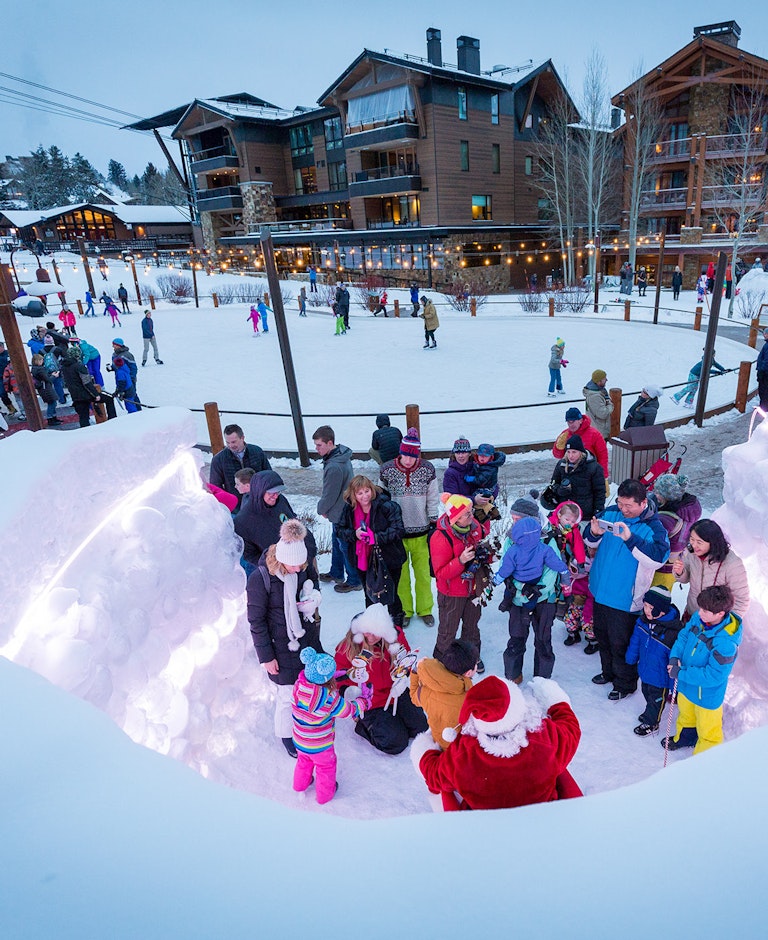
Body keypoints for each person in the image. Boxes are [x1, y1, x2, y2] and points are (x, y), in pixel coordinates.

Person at [411, 675, 582, 811]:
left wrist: (424, 749)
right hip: (542, 817)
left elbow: (433, 774)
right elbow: (571, 729)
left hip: (487, 829)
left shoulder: (463, 755)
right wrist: (556, 702)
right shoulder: (545, 738)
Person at [585, 479, 670, 700]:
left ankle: (625, 683)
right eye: (620, 503)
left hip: (625, 598)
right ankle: (608, 673)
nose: (623, 509)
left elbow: (658, 558)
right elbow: (589, 540)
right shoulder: (611, 513)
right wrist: (593, 532)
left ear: (643, 503)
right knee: (602, 637)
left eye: (628, 505)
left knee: (621, 643)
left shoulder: (654, 526)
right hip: (600, 590)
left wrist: (630, 539)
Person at [247, 519, 323, 758]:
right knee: (287, 695)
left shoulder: (302, 567)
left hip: (306, 640)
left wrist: (314, 601)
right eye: (294, 566)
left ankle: (305, 723)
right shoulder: (261, 579)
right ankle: (287, 736)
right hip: (279, 646)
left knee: (307, 687)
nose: (299, 569)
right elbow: (256, 621)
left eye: (302, 564)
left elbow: (314, 587)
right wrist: (266, 657)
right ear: (281, 560)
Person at [334, 604, 427, 754]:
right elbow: (338, 675)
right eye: (367, 632)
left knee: (421, 728)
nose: (370, 637)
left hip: (395, 693)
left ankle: (393, 720)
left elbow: (406, 660)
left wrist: (403, 677)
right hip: (370, 701)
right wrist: (349, 691)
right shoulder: (350, 646)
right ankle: (363, 725)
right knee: (396, 742)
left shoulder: (395, 637)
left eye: (376, 633)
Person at [663, 584, 742, 754]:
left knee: (708, 733)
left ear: (720, 613)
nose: (700, 613)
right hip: (686, 685)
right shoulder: (700, 618)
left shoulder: (726, 644)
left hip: (706, 696)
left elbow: (713, 676)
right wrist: (675, 657)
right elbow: (684, 636)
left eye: (705, 611)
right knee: (686, 716)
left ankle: (702, 764)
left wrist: (681, 673)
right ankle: (685, 738)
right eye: (700, 608)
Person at [493, 516, 571, 683]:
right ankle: (513, 676)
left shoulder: (538, 546)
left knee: (542, 639)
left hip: (542, 599)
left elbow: (506, 569)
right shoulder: (541, 548)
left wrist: (497, 579)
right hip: (521, 598)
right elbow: (558, 565)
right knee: (517, 638)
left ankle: (542, 680)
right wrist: (565, 575)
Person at [291, 647, 369, 805]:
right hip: (320, 745)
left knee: (303, 761)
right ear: (327, 679)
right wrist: (363, 702)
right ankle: (324, 796)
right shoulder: (329, 698)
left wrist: (343, 674)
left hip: (300, 739)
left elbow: (319, 683)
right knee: (326, 767)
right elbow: (348, 710)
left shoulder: (299, 686)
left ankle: (300, 785)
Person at [379, 428, 439, 628]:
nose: (407, 460)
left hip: (421, 531)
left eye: (411, 456)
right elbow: (382, 499)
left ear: (417, 456)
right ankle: (404, 610)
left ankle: (425, 609)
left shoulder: (428, 470)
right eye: (404, 455)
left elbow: (432, 497)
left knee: (422, 574)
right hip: (397, 534)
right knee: (401, 576)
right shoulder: (387, 470)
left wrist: (433, 521)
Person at [429, 493, 492, 672]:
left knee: (472, 627)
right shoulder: (440, 537)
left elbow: (484, 540)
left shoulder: (475, 527)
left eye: (471, 511)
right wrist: (461, 560)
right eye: (466, 514)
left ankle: (471, 658)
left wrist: (488, 555)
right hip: (452, 593)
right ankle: (441, 663)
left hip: (474, 588)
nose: (471, 515)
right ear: (455, 518)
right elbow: (440, 573)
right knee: (448, 630)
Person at [336, 474, 406, 626]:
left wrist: (376, 537)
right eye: (359, 493)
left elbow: (398, 530)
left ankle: (397, 626)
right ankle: (374, 626)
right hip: (363, 559)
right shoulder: (349, 509)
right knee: (369, 593)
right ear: (353, 495)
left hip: (388, 558)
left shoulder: (387, 506)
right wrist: (353, 534)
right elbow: (339, 530)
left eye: (367, 491)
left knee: (391, 593)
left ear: (372, 490)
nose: (364, 496)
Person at [235, 469, 317, 575]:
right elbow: (249, 554)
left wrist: (310, 549)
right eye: (271, 492)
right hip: (279, 572)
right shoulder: (243, 520)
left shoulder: (280, 501)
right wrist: (273, 566)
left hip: (304, 560)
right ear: (259, 491)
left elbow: (294, 522)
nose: (276, 496)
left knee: (312, 589)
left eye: (278, 492)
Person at [625, 585, 682, 736]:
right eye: (645, 606)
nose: (647, 611)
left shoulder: (672, 632)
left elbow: (674, 659)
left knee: (656, 700)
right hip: (645, 671)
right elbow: (636, 640)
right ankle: (649, 713)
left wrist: (672, 683)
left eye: (651, 608)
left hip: (660, 678)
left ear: (662, 610)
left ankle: (652, 722)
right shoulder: (643, 622)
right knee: (646, 692)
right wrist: (631, 656)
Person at [672, 518, 750, 622]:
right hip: (692, 614)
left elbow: (742, 600)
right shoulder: (691, 551)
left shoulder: (732, 563)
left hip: (715, 622)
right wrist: (680, 572)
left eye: (699, 542)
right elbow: (686, 577)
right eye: (692, 539)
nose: (694, 545)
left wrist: (727, 623)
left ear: (713, 542)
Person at [313, 425, 361, 593]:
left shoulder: (334, 466)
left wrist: (321, 509)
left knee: (345, 546)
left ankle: (354, 580)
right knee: (337, 542)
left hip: (340, 512)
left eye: (319, 445)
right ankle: (337, 572)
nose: (316, 449)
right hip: (343, 509)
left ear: (330, 442)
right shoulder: (341, 455)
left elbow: (329, 494)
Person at [409, 640, 477, 750]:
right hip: (458, 748)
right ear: (468, 673)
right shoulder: (469, 698)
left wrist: (415, 672)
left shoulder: (426, 690)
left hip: (438, 741)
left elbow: (413, 696)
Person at [650, 473, 702, 589]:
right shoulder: (686, 511)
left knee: (653, 602)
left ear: (666, 496)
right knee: (662, 597)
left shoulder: (666, 519)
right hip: (673, 567)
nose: (655, 494)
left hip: (660, 568)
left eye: (658, 492)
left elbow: (650, 539)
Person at [543, 435, 605, 520]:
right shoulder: (561, 465)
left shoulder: (594, 468)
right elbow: (553, 484)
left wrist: (598, 511)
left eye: (574, 452)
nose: (571, 456)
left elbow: (600, 492)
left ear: (581, 452)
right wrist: (559, 490)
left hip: (584, 515)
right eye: (568, 452)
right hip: (564, 513)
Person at [210, 424, 271, 510]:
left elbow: (268, 475)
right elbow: (216, 486)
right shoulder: (219, 460)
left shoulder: (257, 452)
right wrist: (228, 502)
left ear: (242, 438)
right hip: (235, 508)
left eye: (233, 442)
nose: (230, 445)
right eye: (227, 442)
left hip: (259, 503)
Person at [553, 407, 608, 479]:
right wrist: (558, 447)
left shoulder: (594, 434)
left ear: (580, 420)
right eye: (568, 422)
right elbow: (558, 456)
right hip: (571, 475)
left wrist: (602, 476)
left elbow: (602, 455)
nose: (571, 424)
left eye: (573, 421)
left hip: (589, 475)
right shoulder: (565, 435)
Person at [60, 346, 100, 428]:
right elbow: (87, 382)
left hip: (74, 394)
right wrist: (95, 394)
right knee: (85, 417)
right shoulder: (79, 366)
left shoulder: (64, 367)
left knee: (82, 416)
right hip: (84, 395)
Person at [582, 369, 614, 439]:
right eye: (604, 379)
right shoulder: (595, 396)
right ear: (598, 381)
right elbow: (603, 414)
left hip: (598, 430)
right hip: (599, 432)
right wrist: (609, 403)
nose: (606, 380)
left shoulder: (599, 391)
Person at [30, 353, 60, 425]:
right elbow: (47, 379)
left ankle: (53, 418)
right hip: (46, 388)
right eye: (41, 360)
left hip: (43, 388)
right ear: (37, 361)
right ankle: (51, 418)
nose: (42, 361)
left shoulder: (35, 369)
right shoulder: (40, 369)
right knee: (52, 403)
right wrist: (54, 376)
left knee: (52, 402)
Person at [755, 327, 768, 411]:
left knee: (764, 390)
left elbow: (767, 360)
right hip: (764, 371)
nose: (764, 335)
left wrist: (762, 371)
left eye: (766, 333)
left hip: (765, 373)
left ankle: (764, 407)